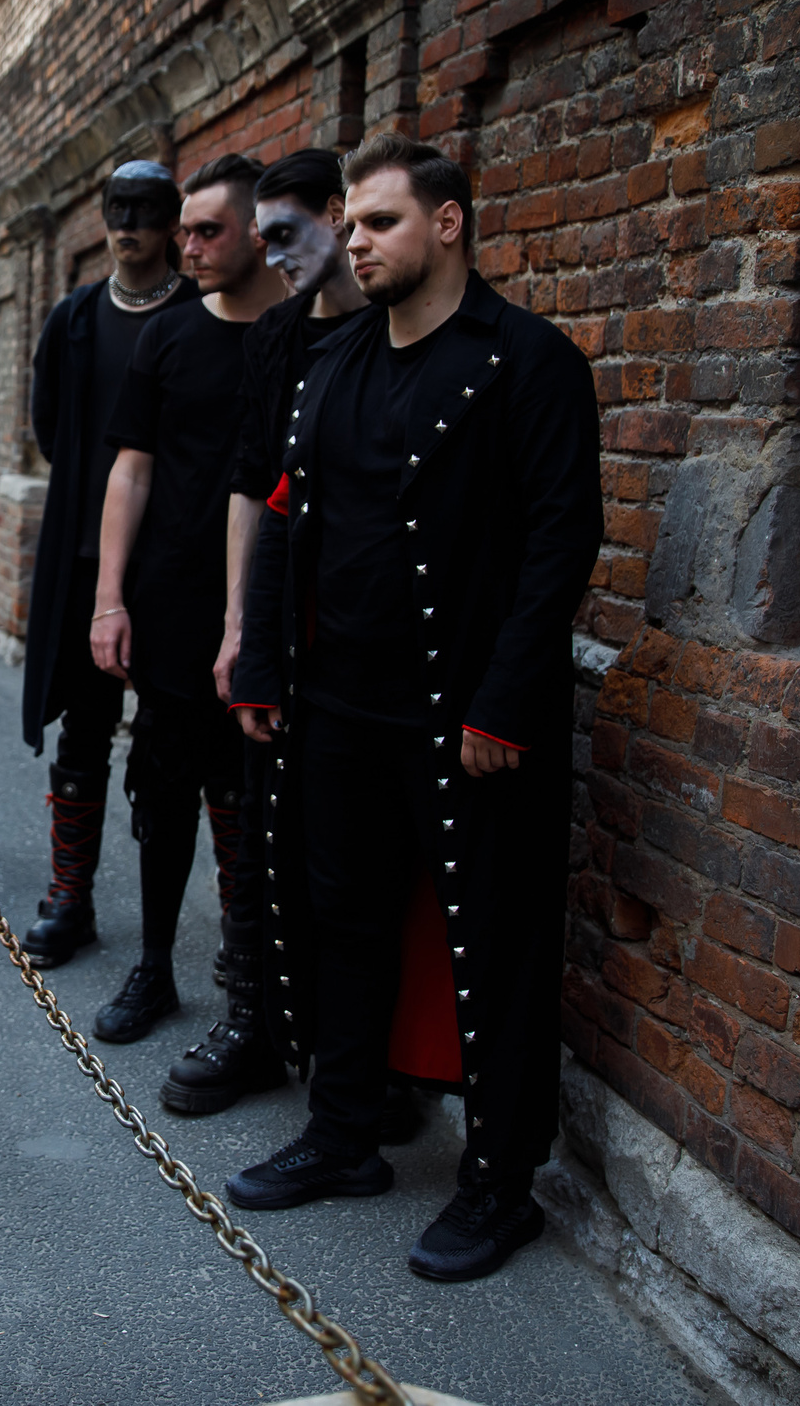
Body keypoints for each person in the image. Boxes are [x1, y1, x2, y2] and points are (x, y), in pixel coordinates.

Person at [224, 136, 600, 1288]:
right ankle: (344, 1137)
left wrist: (506, 702)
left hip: (466, 719)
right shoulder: (333, 362)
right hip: (337, 705)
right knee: (340, 923)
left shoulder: (525, 361)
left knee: (496, 940)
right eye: (352, 220)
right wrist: (260, 664)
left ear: (447, 223)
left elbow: (559, 541)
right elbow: (287, 512)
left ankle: (500, 1185)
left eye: (380, 221)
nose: (357, 240)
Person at [161, 147, 373, 1116]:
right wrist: (241, 628)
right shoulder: (278, 337)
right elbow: (252, 487)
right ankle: (252, 1019)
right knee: (257, 823)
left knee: (358, 862)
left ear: (338, 215)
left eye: (286, 235)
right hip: (281, 622)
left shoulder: (395, 331)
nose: (273, 255)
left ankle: (360, 1059)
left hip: (372, 629)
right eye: (266, 237)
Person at [85, 154, 287, 1052]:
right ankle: (155, 965)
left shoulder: (298, 335)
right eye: (185, 229)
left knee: (254, 799)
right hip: (169, 602)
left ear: (255, 232)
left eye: (208, 230)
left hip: (274, 606)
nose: (186, 244)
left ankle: (254, 983)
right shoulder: (166, 336)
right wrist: (108, 599)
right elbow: (129, 468)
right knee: (161, 797)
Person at [15, 161, 199, 968]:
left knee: (182, 746)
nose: (129, 223)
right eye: (117, 208)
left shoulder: (201, 313)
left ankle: (196, 942)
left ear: (171, 222)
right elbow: (50, 426)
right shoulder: (77, 317)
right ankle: (70, 897)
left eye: (147, 210)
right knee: (84, 730)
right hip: (86, 563)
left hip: (179, 568)